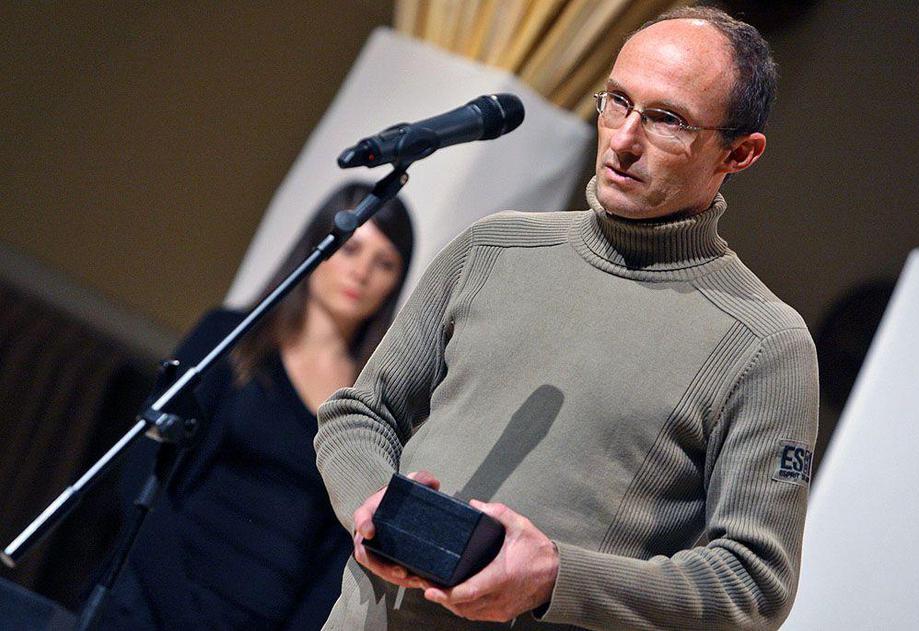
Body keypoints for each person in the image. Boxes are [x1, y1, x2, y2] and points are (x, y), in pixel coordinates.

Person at [314, 6, 818, 631]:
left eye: (667, 119)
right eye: (618, 102)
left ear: (739, 153)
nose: (624, 140)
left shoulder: (764, 344)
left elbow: (754, 583)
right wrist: (372, 501)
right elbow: (361, 413)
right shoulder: (492, 248)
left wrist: (556, 578)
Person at [100, 182, 414, 629]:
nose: (361, 273)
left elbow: (341, 554)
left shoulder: (373, 408)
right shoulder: (229, 339)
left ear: (396, 284)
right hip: (149, 604)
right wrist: (180, 613)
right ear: (318, 244)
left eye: (384, 263)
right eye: (351, 249)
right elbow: (142, 471)